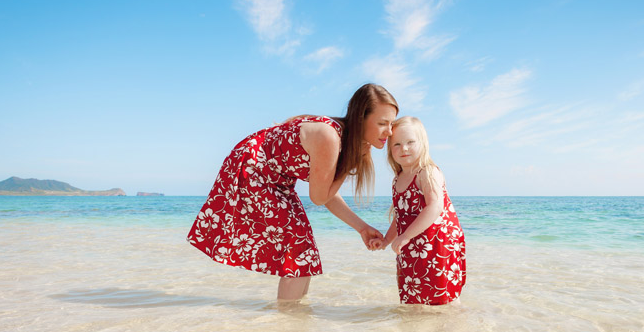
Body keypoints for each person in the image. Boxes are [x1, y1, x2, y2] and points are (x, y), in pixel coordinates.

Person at [188, 84, 398, 301]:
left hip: (277, 180)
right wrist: (351, 162)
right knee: (299, 252)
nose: (390, 132)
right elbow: (319, 198)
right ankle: (287, 316)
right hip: (253, 169)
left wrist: (362, 227)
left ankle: (294, 316)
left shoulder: (344, 139)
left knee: (304, 253)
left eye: (392, 124)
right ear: (360, 118)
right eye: (382, 123)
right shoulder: (329, 136)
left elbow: (325, 193)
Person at [370, 116, 466, 305]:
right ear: (389, 149)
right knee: (415, 296)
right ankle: (416, 325)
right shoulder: (397, 179)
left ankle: (451, 322)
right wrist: (386, 240)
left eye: (410, 142)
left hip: (437, 245)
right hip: (412, 247)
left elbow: (435, 206)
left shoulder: (427, 172)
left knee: (442, 296)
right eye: (397, 144)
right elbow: (401, 217)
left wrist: (405, 236)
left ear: (423, 143)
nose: (404, 149)